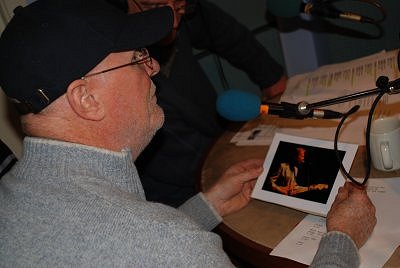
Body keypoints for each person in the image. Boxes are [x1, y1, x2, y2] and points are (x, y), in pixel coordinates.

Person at [0, 0, 376, 267]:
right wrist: (342, 238)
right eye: (137, 59)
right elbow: (153, 250)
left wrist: (204, 207)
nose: (152, 69)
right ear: (86, 99)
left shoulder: (11, 199)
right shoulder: (170, 248)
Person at [107, 0, 288, 207]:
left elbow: (222, 30)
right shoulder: (108, 50)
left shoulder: (178, 9)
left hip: (213, 148)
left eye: (179, 6)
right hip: (173, 191)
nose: (174, 22)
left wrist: (270, 75)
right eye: (155, 9)